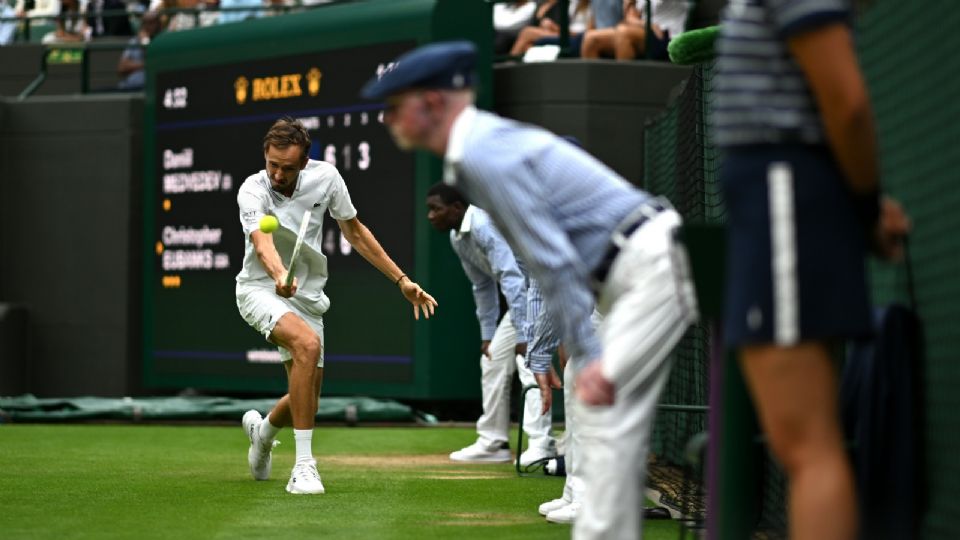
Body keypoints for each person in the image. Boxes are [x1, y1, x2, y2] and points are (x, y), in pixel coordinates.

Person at [362, 41, 698, 539]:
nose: (387, 120)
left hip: (647, 269)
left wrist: (569, 351)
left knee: (606, 423)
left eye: (394, 107)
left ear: (431, 104)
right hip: (626, 272)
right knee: (609, 429)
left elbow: (550, 262)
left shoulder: (482, 155)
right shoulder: (478, 149)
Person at [714, 2, 911, 539]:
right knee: (801, 442)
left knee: (807, 445)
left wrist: (866, 207)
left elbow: (847, 104)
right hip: (779, 197)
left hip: (783, 192)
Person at [236, 117, 437, 495]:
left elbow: (355, 232)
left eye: (288, 168)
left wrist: (402, 280)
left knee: (307, 395)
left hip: (308, 296)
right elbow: (261, 244)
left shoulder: (326, 178)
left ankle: (262, 435)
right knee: (307, 346)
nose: (278, 174)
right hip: (260, 289)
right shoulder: (252, 189)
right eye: (272, 165)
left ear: (305, 162)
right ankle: (304, 468)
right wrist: (280, 274)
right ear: (265, 157)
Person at [425, 182, 557, 466]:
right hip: (524, 299)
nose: (431, 216)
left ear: (457, 208)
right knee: (493, 360)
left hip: (544, 293)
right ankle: (493, 442)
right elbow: (482, 287)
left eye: (436, 209)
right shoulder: (457, 238)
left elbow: (512, 277)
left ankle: (541, 444)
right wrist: (487, 334)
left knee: (529, 363)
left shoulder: (485, 225)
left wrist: (524, 333)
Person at [116, 10, 161, 91]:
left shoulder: (162, 40)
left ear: (158, 24)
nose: (147, 26)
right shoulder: (134, 41)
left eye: (151, 23)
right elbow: (121, 68)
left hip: (150, 88)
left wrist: (145, 43)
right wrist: (144, 65)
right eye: (145, 23)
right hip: (128, 87)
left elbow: (158, 64)